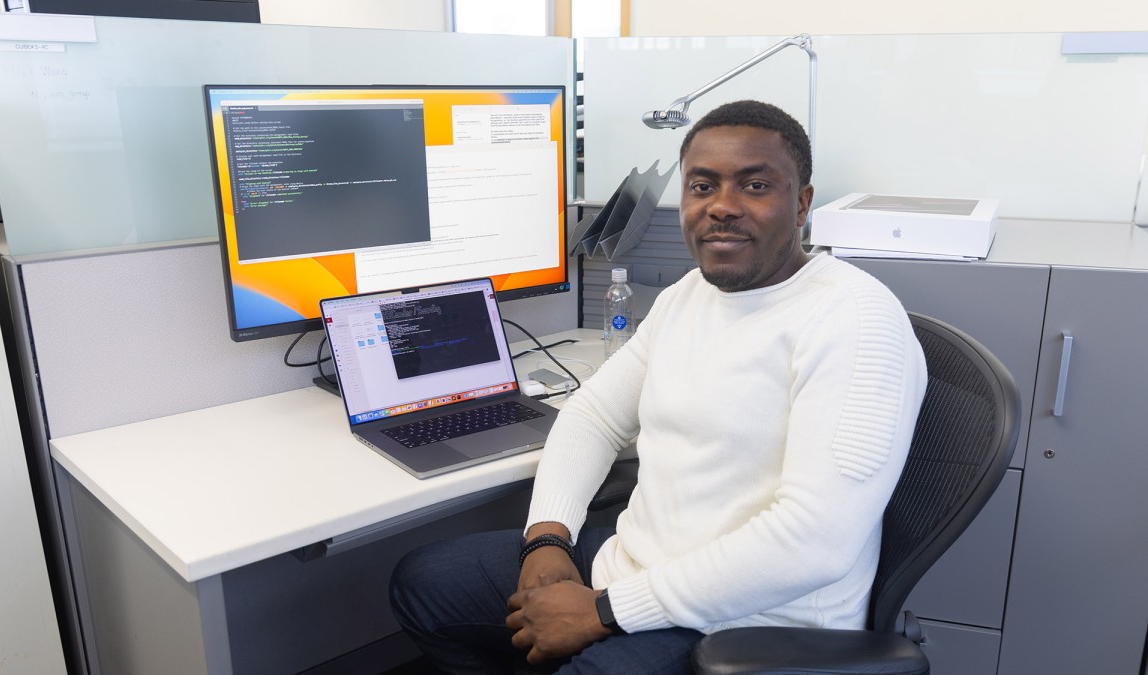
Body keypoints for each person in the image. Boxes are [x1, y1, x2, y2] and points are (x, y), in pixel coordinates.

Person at [389, 100, 928, 674]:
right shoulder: (690, 294)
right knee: (425, 583)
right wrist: (547, 539)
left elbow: (812, 544)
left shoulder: (856, 319)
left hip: (747, 623)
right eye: (702, 185)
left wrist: (601, 612)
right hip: (635, 569)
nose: (722, 206)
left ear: (800, 204)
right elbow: (594, 415)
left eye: (754, 185)